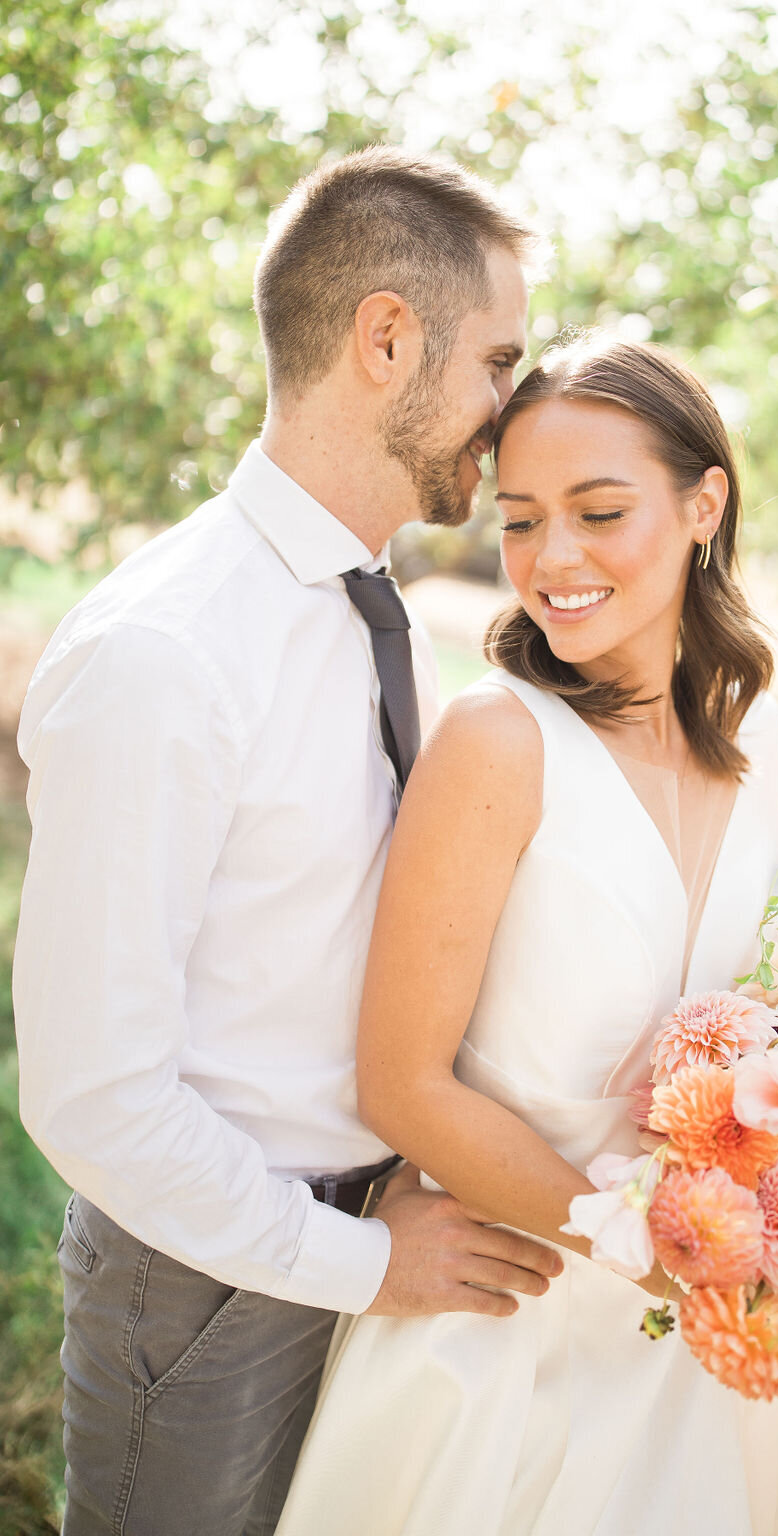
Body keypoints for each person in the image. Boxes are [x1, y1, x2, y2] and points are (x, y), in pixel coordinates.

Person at [275, 335, 778, 1536]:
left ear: (705, 504)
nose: (551, 560)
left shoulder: (767, 744)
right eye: (523, 520)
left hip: (709, 1344)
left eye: (597, 512)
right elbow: (402, 1083)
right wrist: (660, 1257)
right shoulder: (499, 743)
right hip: (510, 1336)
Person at [13, 146, 562, 1536]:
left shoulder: (369, 607)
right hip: (209, 1293)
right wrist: (357, 1262)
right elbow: (94, 1100)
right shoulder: (166, 656)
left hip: (367, 1237)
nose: (510, 414)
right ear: (389, 338)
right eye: (499, 361)